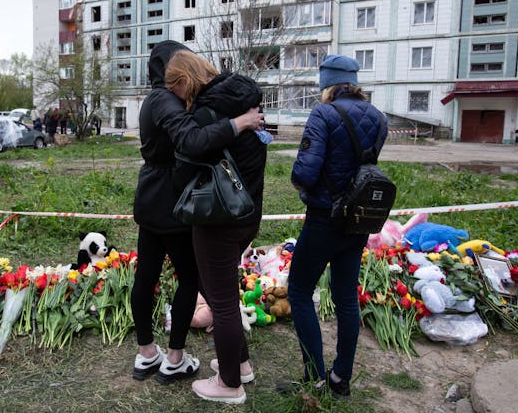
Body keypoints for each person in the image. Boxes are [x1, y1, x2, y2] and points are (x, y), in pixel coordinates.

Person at [131, 41, 263, 388]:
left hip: (151, 199)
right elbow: (190, 141)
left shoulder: (153, 99)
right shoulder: (169, 100)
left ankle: (148, 353)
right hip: (175, 202)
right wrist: (238, 124)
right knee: (192, 278)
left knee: (147, 275)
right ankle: (174, 357)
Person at [164, 50, 267, 405]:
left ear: (186, 79)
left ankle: (228, 384)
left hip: (218, 217)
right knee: (220, 291)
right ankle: (240, 364)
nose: (176, 97)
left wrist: (232, 126)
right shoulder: (239, 100)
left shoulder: (211, 111)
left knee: (220, 302)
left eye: (175, 87)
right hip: (247, 212)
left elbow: (190, 144)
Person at [286, 55, 388, 399]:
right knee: (346, 296)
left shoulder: (323, 114)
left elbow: (304, 173)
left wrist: (304, 186)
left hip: (323, 220)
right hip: (358, 220)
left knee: (299, 292)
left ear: (326, 83)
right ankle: (340, 378)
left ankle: (313, 377)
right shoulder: (379, 117)